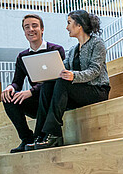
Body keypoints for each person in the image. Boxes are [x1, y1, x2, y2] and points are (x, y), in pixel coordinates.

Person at [26, 10, 111, 150]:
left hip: (97, 90)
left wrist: (73, 76)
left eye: (69, 23)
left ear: (79, 25)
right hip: (78, 92)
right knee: (48, 85)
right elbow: (62, 68)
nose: (67, 27)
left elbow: (95, 71)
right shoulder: (73, 50)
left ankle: (53, 133)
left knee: (64, 81)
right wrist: (47, 74)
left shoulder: (97, 43)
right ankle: (40, 135)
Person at [0, 14, 65, 153]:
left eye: (34, 25)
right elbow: (17, 82)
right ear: (24, 32)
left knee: (47, 86)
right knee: (8, 99)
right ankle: (27, 138)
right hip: (36, 101)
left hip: (53, 101)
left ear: (42, 29)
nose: (31, 29)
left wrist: (31, 91)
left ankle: (40, 136)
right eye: (26, 27)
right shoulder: (22, 56)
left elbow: (58, 78)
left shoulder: (56, 49)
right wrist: (10, 87)